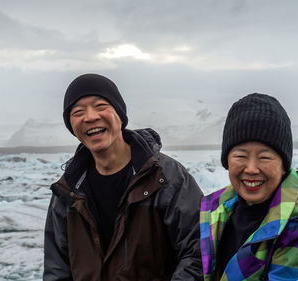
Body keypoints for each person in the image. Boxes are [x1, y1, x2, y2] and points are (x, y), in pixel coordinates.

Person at [43, 73, 203, 281]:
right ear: (72, 126)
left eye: (100, 106)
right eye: (78, 112)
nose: (90, 117)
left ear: (120, 115)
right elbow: (57, 270)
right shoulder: (67, 191)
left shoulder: (166, 177)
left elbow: (198, 253)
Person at [199, 93, 298, 280]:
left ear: (284, 165)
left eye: (265, 157)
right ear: (227, 160)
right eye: (240, 156)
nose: (251, 169)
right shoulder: (215, 209)